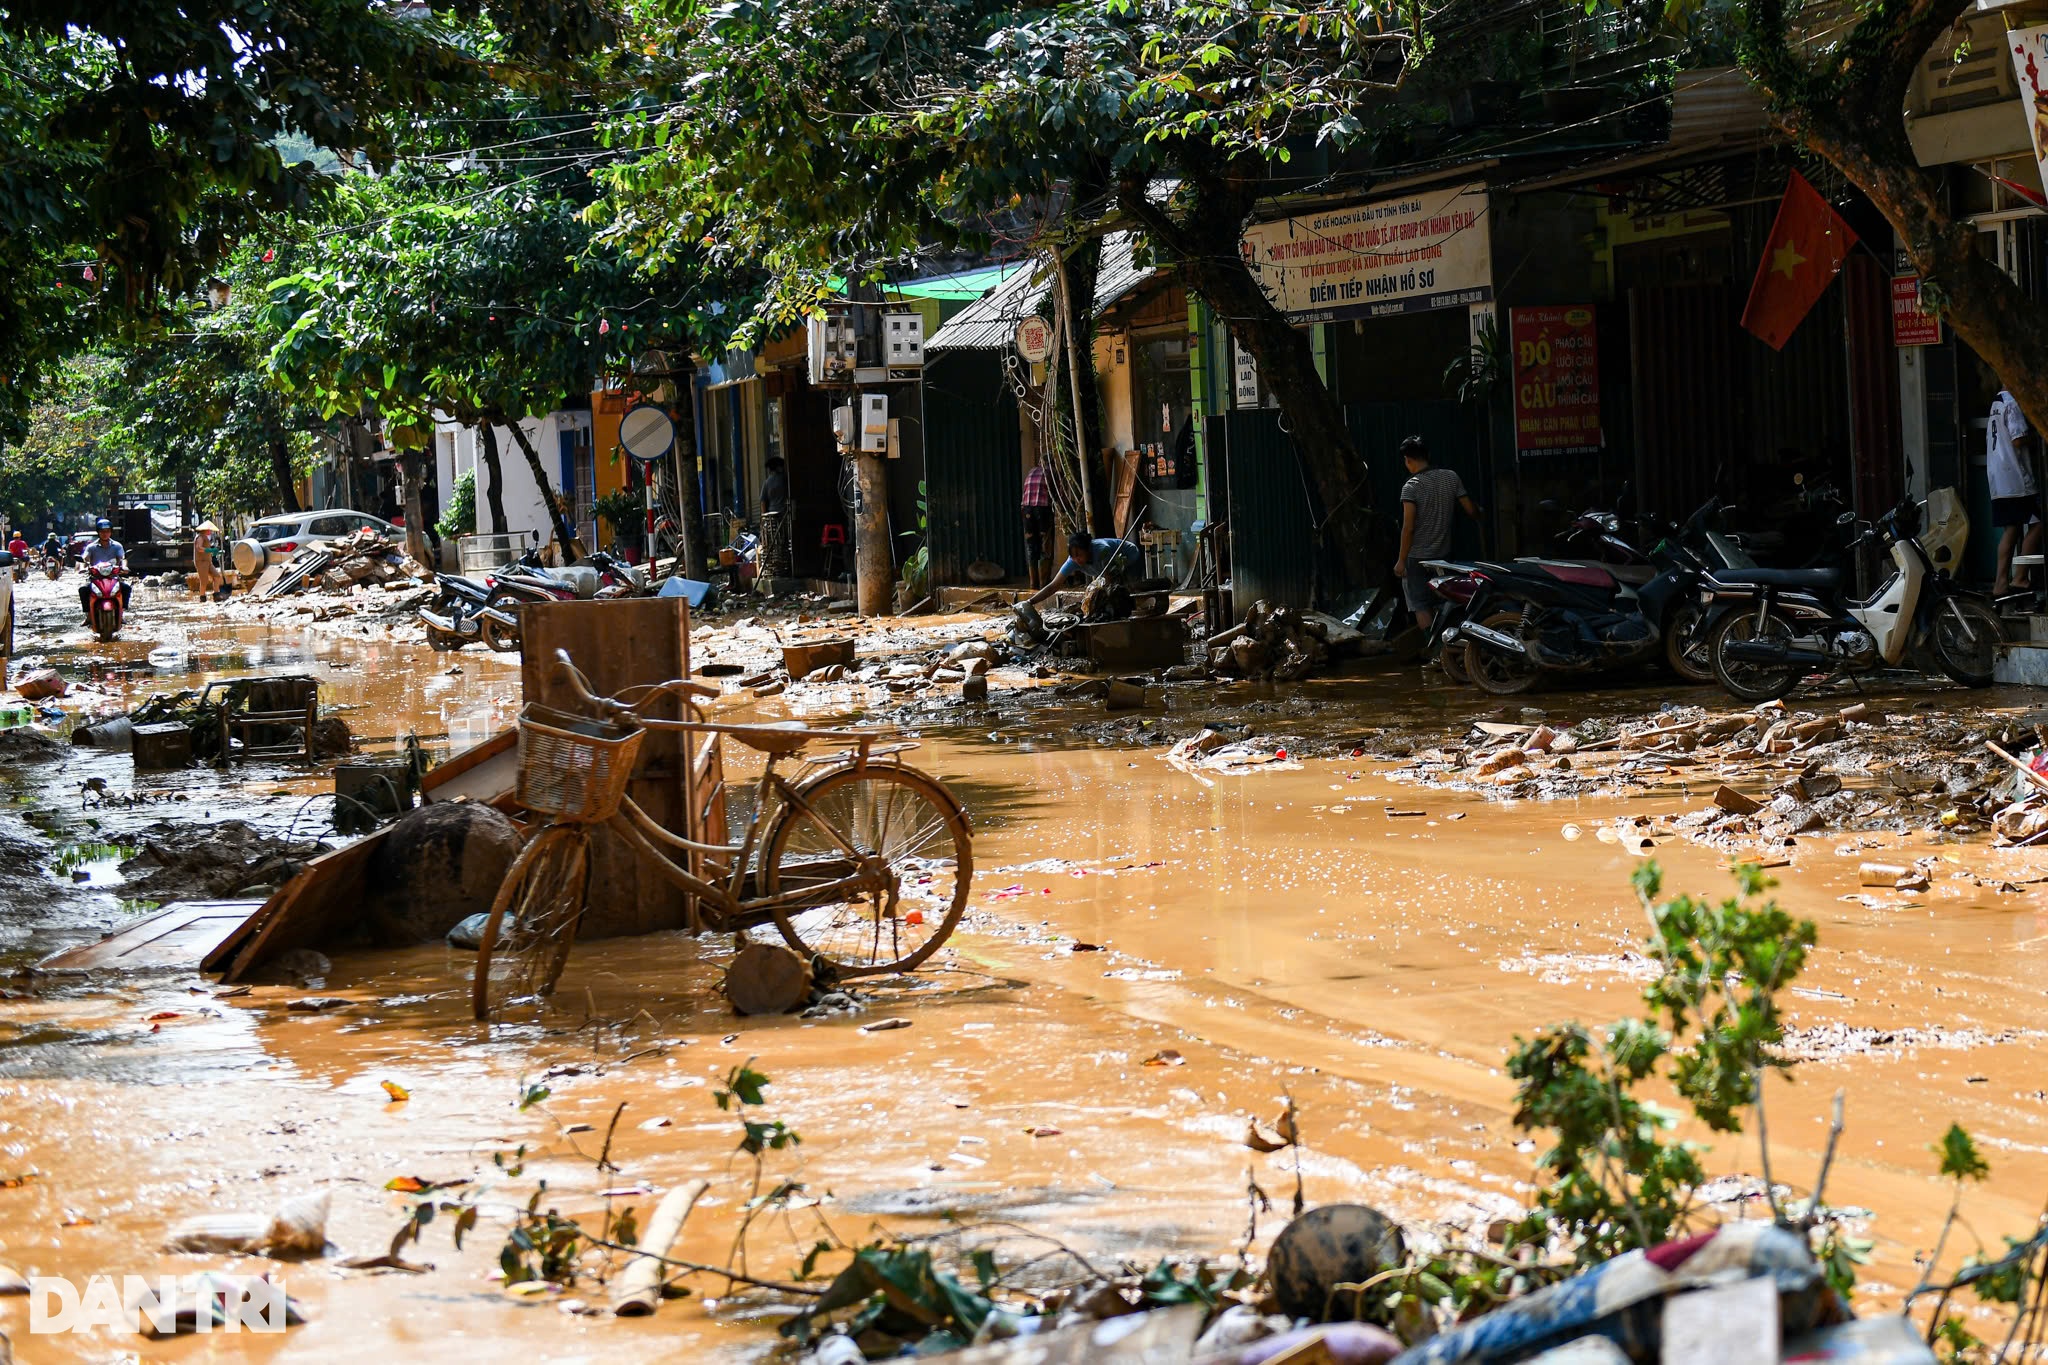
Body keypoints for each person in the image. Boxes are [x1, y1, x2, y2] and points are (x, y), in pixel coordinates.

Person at [1392, 435, 1480, 631]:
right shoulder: (1451, 477)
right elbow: (1471, 511)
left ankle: (1434, 652)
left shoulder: (1411, 487)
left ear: (1407, 460)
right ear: (1427, 455)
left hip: (1417, 558)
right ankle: (1450, 646)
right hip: (1443, 555)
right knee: (1447, 599)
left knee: (1420, 604)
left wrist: (1401, 560)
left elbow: (1409, 527)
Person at [1989, 388, 2041, 596]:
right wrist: (2036, 437)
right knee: (2038, 522)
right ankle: (2019, 577)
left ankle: (2000, 583)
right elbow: (2018, 439)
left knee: (2011, 529)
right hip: (2015, 478)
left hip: (1998, 477)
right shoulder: (2012, 401)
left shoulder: (1996, 402)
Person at [1021, 531, 1142, 609]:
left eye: (1079, 554)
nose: (1076, 559)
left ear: (1088, 549)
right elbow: (1053, 586)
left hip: (1130, 557)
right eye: (1073, 555)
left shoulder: (1102, 551)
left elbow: (1109, 579)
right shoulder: (1073, 561)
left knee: (1129, 589)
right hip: (1109, 567)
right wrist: (1030, 602)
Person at [78, 518, 131, 620]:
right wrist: (82, 567)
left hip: (113, 576)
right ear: (98, 532)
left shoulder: (117, 546)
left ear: (111, 532)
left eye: (107, 531)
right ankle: (88, 615)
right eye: (102, 532)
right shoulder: (91, 547)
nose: (105, 534)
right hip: (95, 577)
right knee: (83, 589)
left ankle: (121, 613)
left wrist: (124, 567)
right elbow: (85, 559)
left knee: (126, 588)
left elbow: (123, 558)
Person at [1020, 457, 1054, 589]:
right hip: (1042, 510)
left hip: (1026, 510)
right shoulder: (1051, 472)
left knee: (1031, 547)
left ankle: (1033, 584)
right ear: (1050, 463)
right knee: (1045, 546)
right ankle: (1044, 583)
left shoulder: (1032, 471)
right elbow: (1056, 493)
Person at [759, 456, 791, 578]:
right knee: (783, 542)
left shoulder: (767, 482)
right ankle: (784, 567)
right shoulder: (784, 479)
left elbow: (763, 502)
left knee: (772, 544)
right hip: (783, 514)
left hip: (771, 516)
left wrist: (763, 518)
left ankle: (775, 568)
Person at [191, 520, 225, 600]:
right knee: (204, 580)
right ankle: (202, 597)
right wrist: (210, 550)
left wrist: (216, 552)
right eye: (209, 530)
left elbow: (207, 550)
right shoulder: (200, 537)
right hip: (201, 562)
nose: (210, 531)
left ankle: (216, 594)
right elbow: (199, 548)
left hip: (208, 561)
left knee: (216, 576)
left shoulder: (205, 537)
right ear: (205, 530)